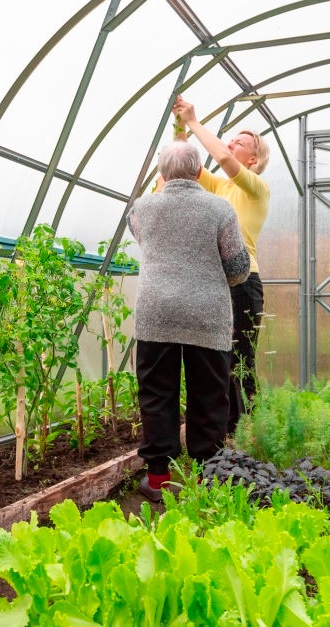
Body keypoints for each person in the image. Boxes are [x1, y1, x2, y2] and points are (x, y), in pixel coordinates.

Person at [128, 141, 250, 502]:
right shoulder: (219, 208)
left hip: (156, 315)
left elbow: (145, 242)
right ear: (199, 172)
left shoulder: (141, 209)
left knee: (157, 394)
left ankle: (158, 479)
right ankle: (207, 477)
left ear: (162, 175)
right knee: (209, 394)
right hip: (206, 314)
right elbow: (239, 268)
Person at [172, 95, 271, 434]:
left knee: (241, 357)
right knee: (219, 356)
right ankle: (229, 429)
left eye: (239, 142)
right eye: (231, 138)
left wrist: (196, 121)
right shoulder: (218, 185)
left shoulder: (256, 188)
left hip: (244, 282)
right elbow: (183, 165)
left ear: (253, 158)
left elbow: (223, 157)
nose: (230, 143)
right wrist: (179, 127)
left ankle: (251, 429)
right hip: (217, 281)